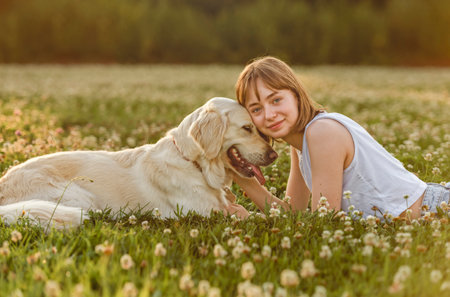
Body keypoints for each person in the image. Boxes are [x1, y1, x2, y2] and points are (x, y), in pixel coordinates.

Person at [230, 56, 449, 219]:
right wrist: (245, 181)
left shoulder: (322, 133)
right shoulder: (300, 145)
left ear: (296, 95)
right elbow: (293, 214)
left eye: (276, 100)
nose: (269, 114)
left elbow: (324, 220)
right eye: (257, 109)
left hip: (436, 209)